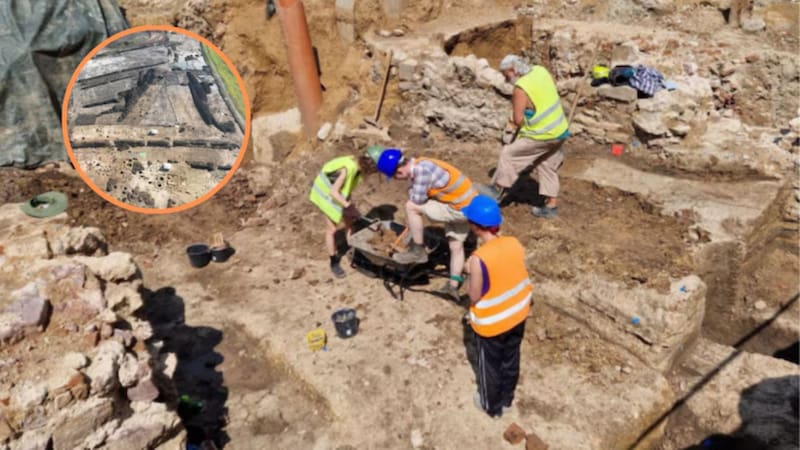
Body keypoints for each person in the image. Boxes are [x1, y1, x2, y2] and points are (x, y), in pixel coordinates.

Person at [462, 195, 532, 418]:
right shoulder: (513, 242)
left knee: (489, 366)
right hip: (519, 314)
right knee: (511, 358)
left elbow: (474, 294)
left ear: (474, 226)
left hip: (492, 325)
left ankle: (491, 406)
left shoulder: (478, 258)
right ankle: (507, 398)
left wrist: (469, 272)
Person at [375, 148, 478, 299]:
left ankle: (418, 250)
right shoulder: (422, 162)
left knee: (411, 207)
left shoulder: (421, 171)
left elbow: (417, 199)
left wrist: (412, 192)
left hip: (458, 209)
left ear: (399, 171)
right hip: (469, 207)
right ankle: (453, 286)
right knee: (456, 246)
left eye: (395, 177)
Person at [479, 54, 570, 219]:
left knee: (509, 154)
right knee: (546, 164)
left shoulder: (521, 88)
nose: (506, 79)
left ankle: (497, 189)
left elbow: (518, 119)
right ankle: (551, 207)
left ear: (513, 70)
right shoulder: (540, 71)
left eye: (506, 74)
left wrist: (518, 129)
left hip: (543, 135)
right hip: (560, 130)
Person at [309, 147, 381, 278]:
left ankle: (354, 254)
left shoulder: (358, 171)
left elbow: (346, 190)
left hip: (335, 195)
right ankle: (333, 261)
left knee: (349, 223)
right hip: (325, 195)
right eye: (374, 170)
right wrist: (348, 206)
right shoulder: (348, 169)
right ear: (370, 166)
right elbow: (334, 192)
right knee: (331, 229)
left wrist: (351, 208)